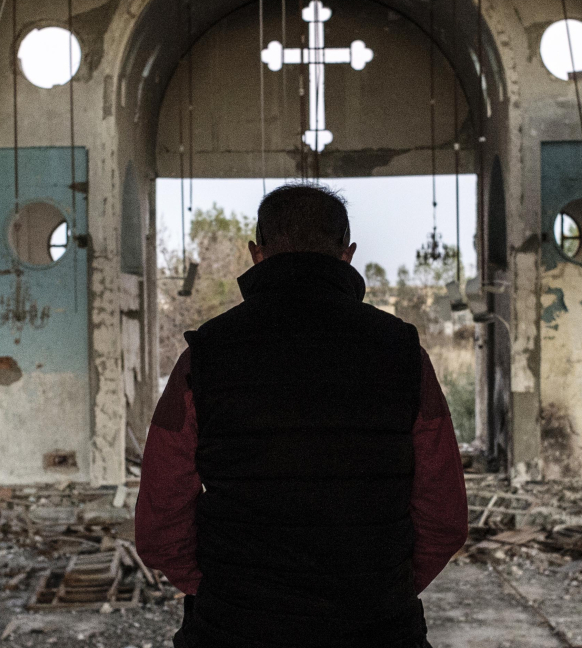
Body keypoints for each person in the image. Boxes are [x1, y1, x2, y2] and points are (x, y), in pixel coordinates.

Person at [135, 183, 468, 648]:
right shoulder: (404, 353)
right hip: (378, 629)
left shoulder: (204, 356)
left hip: (234, 629)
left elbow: (159, 521)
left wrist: (219, 592)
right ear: (347, 255)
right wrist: (381, 592)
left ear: (257, 254)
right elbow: (445, 514)